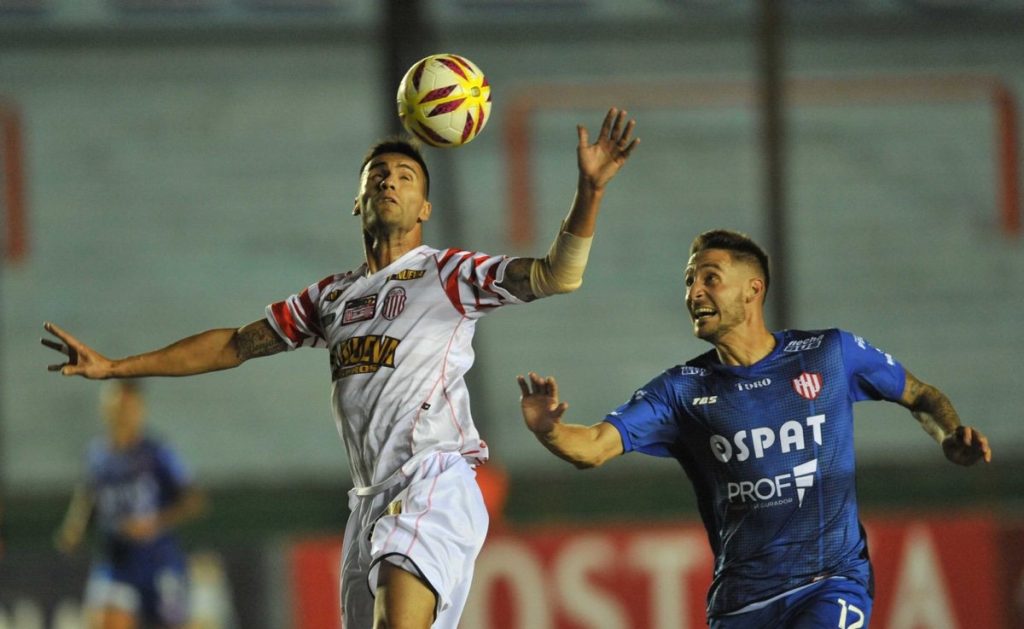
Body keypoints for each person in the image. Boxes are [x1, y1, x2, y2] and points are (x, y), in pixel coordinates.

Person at [42, 107, 639, 629]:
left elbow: (556, 275)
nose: (389, 180)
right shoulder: (330, 297)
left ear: (425, 207)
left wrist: (589, 193)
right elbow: (235, 344)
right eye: (377, 174)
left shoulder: (449, 274)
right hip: (369, 500)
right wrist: (116, 367)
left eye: (405, 176)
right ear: (357, 200)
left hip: (433, 478)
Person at [517, 228, 992, 629]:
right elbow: (594, 447)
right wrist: (549, 431)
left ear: (753, 289)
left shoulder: (829, 353)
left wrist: (949, 435)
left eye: (710, 278)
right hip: (740, 604)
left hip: (830, 581)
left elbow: (920, 395)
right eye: (689, 281)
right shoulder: (681, 391)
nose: (693, 293)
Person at [55, 381, 206, 629]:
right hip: (116, 561)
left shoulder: (158, 452)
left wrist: (154, 523)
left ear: (140, 410)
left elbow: (194, 500)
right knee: (105, 621)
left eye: (128, 408)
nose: (122, 415)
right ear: (105, 410)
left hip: (158, 562)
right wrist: (75, 527)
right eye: (116, 408)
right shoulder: (96, 454)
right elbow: (88, 494)